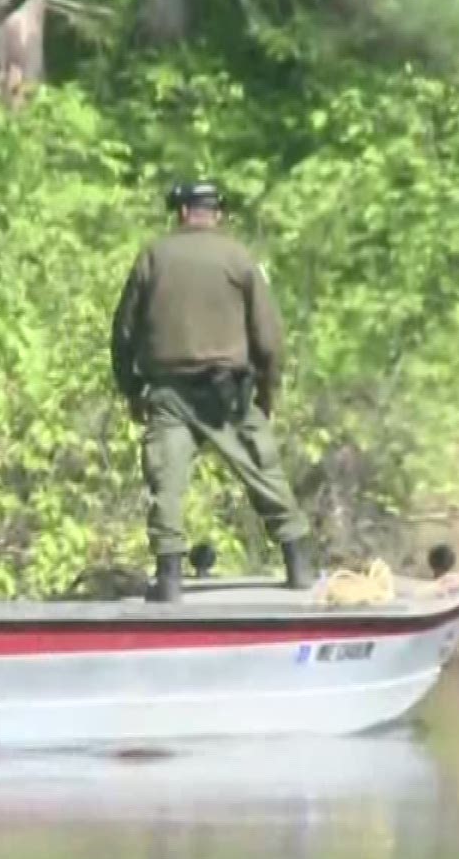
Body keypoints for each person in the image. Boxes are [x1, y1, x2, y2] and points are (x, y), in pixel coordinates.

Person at [110, 180, 317, 603]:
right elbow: (269, 338)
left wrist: (131, 388)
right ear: (216, 214)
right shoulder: (239, 258)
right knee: (263, 473)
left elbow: (124, 331)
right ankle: (298, 565)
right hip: (229, 395)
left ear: (182, 212)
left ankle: (169, 578)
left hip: (167, 392)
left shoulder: (153, 255)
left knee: (166, 484)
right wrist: (267, 392)